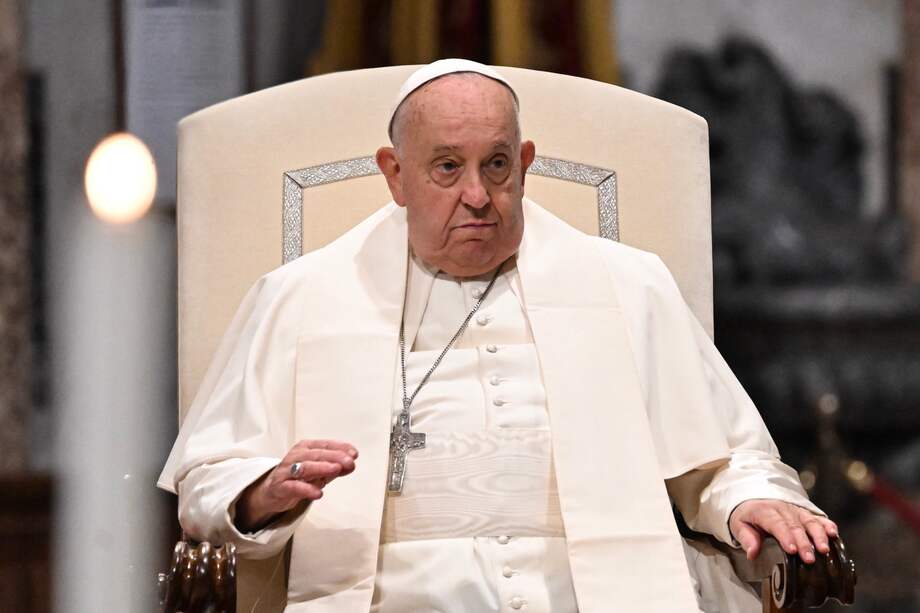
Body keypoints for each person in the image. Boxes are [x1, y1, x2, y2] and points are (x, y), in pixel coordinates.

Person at [159, 59, 837, 613]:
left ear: (526, 161)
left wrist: (754, 500)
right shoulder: (301, 298)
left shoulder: (628, 286)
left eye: (497, 165)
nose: (479, 196)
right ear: (395, 174)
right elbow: (209, 482)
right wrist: (262, 494)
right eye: (447, 167)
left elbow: (723, 460)